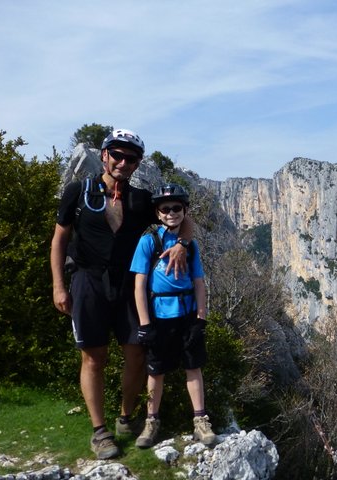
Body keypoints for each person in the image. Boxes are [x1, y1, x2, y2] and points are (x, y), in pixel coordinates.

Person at [50, 128, 194, 459]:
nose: (123, 163)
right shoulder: (79, 192)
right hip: (88, 281)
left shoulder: (141, 199)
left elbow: (185, 220)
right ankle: (99, 432)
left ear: (137, 164)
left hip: (130, 286)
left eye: (131, 159)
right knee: (94, 357)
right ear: (104, 156)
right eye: (117, 155)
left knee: (137, 353)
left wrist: (182, 246)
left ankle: (126, 417)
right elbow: (59, 240)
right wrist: (59, 285)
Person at [129, 183, 216, 448]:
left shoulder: (190, 245)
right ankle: (151, 421)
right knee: (155, 370)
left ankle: (200, 421)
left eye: (177, 208)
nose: (171, 213)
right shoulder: (148, 241)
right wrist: (145, 324)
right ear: (157, 213)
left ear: (185, 210)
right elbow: (139, 284)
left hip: (187, 313)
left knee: (193, 366)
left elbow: (199, 282)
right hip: (159, 316)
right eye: (165, 209)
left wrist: (201, 317)